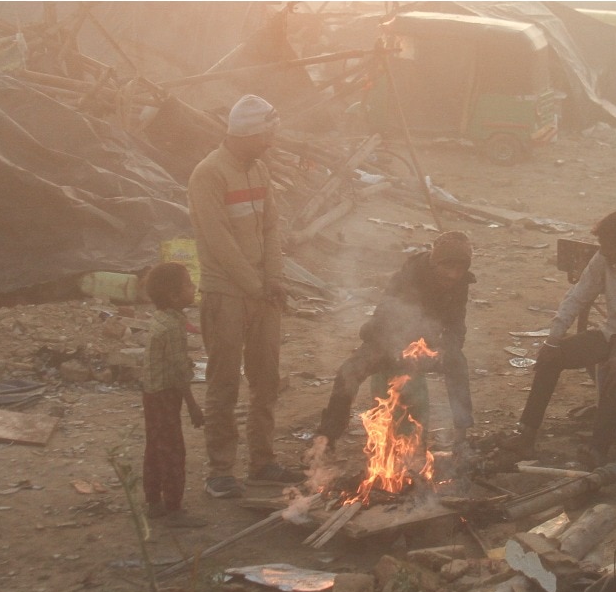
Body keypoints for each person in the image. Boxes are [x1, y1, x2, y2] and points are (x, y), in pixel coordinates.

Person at [189, 94, 303, 499]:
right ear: (247, 134)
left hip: (261, 294)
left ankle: (262, 463)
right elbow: (220, 244)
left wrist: (274, 277)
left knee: (266, 381)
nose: (270, 144)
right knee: (223, 383)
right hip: (226, 294)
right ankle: (220, 470)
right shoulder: (209, 174)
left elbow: (271, 227)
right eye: (265, 137)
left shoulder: (259, 169)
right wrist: (257, 287)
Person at [507, 211, 616, 467]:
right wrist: (553, 339)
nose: (603, 252)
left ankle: (598, 450)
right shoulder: (604, 260)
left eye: (608, 247)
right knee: (552, 358)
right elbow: (578, 296)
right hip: (611, 333)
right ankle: (527, 434)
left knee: (614, 369)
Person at [311, 231, 476, 454]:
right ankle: (327, 437)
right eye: (448, 268)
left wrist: (447, 348)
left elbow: (456, 323)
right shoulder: (409, 275)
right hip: (389, 340)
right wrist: (396, 348)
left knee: (457, 363)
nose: (454, 275)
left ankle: (461, 435)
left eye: (459, 269)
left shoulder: (459, 282)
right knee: (348, 373)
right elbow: (386, 313)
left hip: (426, 345)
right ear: (434, 263)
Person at [141, 262, 206, 528]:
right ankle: (174, 508)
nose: (194, 288)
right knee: (173, 450)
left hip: (151, 392)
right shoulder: (172, 328)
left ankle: (153, 502)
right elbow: (179, 372)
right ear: (174, 296)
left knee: (155, 446)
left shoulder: (161, 319)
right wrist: (192, 405)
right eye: (188, 285)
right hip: (166, 394)